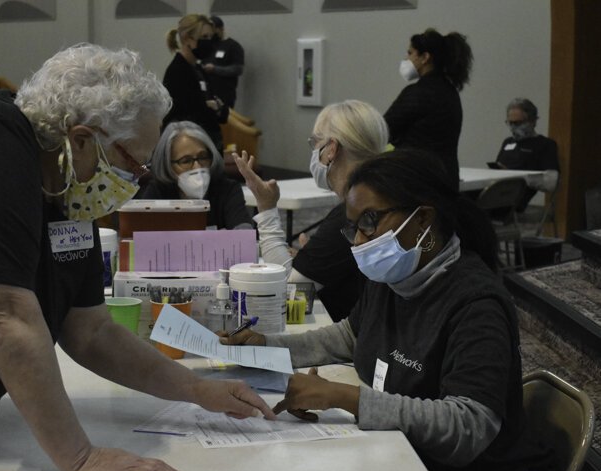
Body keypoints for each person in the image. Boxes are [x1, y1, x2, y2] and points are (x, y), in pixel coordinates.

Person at [0, 43, 275, 471]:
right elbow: (1, 314)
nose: (136, 181)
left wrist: (195, 388)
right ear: (81, 138)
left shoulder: (64, 189)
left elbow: (90, 330)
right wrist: (80, 457)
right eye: (134, 164)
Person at [220, 149, 558, 471]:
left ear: (423, 219)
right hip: (401, 457)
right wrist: (267, 346)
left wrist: (343, 396)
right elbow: (352, 335)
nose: (360, 241)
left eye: (370, 220)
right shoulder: (393, 276)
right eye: (353, 227)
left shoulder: (476, 305)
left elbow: (468, 427)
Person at [233, 100, 388, 321]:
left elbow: (287, 294)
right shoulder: (382, 197)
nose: (314, 152)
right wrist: (314, 259)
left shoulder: (349, 218)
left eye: (315, 144)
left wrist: (266, 209)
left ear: (331, 149)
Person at [384, 28, 473, 188]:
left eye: (410, 53)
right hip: (447, 177)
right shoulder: (450, 92)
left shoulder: (418, 92)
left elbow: (384, 129)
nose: (406, 58)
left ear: (425, 57)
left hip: (418, 179)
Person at [141, 120, 252, 230]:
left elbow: (244, 234)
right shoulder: (157, 192)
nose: (197, 167)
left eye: (203, 157)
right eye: (186, 161)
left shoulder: (227, 189)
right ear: (168, 165)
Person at [163, 14, 229, 153]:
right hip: (190, 147)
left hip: (208, 142)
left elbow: (221, 111)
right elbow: (186, 115)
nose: (209, 42)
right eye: (204, 37)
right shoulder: (177, 71)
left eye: (210, 37)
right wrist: (210, 108)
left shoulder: (198, 68)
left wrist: (215, 108)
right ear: (187, 39)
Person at [494, 97, 559, 210]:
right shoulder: (508, 142)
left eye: (518, 123)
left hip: (515, 198)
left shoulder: (545, 144)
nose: (513, 128)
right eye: (510, 123)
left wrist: (514, 176)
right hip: (497, 191)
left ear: (533, 121)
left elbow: (551, 182)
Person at [202, 16, 244, 109]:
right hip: (207, 93)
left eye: (213, 30)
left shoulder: (233, 46)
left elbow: (238, 69)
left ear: (221, 29)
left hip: (225, 94)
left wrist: (215, 69)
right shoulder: (207, 45)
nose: (211, 34)